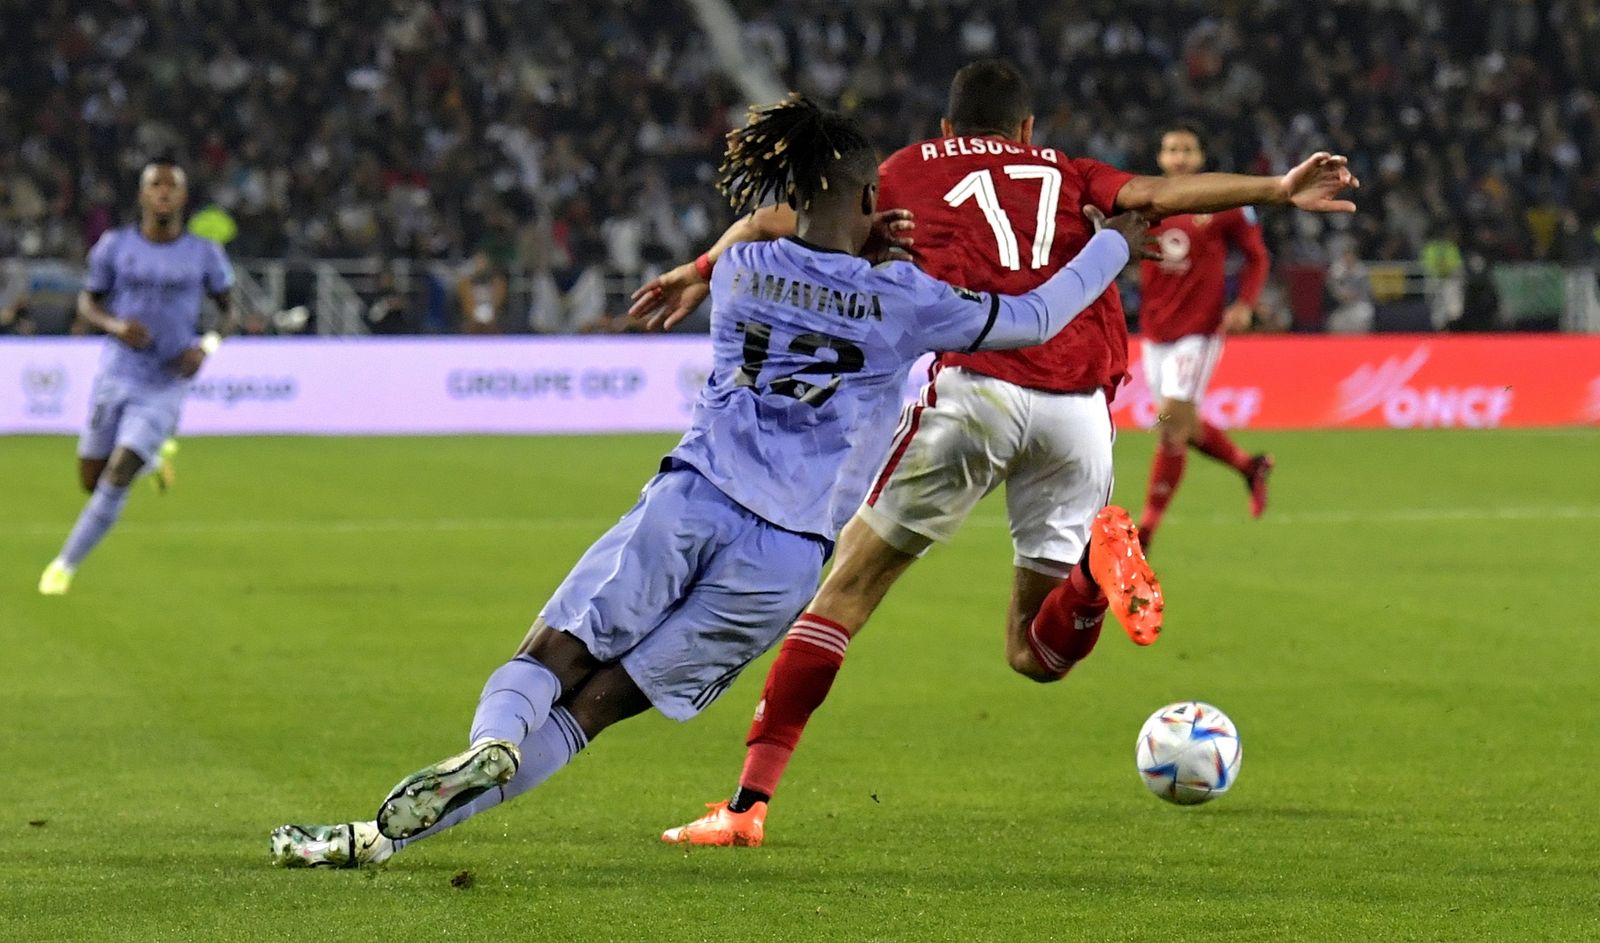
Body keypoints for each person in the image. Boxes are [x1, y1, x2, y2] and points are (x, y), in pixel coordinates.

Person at [269, 95, 1148, 868]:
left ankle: (492, 741)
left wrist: (842, 243)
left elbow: (784, 247)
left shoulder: (740, 270)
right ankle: (385, 836)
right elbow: (1034, 314)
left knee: (555, 654)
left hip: (694, 500)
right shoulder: (908, 302)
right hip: (785, 557)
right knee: (595, 710)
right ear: (872, 202)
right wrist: (1112, 244)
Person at [634, 60, 1358, 848]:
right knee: (1035, 652)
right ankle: (1092, 576)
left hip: (977, 389)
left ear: (948, 129)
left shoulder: (910, 168)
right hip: (1081, 411)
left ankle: (745, 808)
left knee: (840, 596)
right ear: (1027, 131)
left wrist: (702, 271)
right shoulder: (1069, 171)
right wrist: (1278, 188)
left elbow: (785, 220)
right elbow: (1154, 196)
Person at [37, 161, 234, 596]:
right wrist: (114, 326)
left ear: (183, 198)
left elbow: (229, 310)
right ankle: (155, 457)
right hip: (116, 375)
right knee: (91, 479)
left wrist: (207, 346)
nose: (163, 192)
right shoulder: (114, 246)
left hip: (165, 383)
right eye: (155, 185)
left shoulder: (204, 252)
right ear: (143, 196)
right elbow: (87, 302)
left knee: (118, 471)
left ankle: (63, 566)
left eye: (172, 186)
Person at [1134, 124, 1275, 552]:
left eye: (1187, 150)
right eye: (1171, 149)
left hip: (1199, 330)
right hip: (1155, 329)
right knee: (1174, 421)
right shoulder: (1142, 200)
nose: (1178, 157)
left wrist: (1245, 304)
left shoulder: (1221, 201)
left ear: (1199, 158)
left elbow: (1256, 256)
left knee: (1169, 426)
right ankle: (1249, 465)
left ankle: (1147, 528)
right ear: (1160, 157)